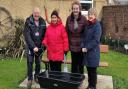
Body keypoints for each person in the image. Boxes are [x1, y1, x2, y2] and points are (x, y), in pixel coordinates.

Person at [23, 7, 46, 89]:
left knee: (38, 63)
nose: (37, 14)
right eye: (35, 13)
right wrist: (33, 47)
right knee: (29, 63)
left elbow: (45, 35)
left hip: (39, 48)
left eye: (38, 13)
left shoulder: (43, 21)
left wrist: (43, 46)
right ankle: (29, 79)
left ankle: (36, 76)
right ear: (32, 13)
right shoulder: (28, 21)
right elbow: (27, 36)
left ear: (40, 13)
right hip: (30, 47)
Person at [81, 8, 102, 89]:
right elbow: (83, 37)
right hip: (86, 53)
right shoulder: (87, 25)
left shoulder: (97, 25)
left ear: (95, 15)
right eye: (89, 14)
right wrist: (83, 45)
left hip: (93, 53)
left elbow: (96, 40)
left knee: (93, 72)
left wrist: (86, 47)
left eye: (92, 14)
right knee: (89, 71)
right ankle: (90, 85)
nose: (90, 16)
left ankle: (93, 87)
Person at [66, 1, 87, 74]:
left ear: (79, 9)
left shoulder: (84, 19)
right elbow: (67, 32)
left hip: (81, 46)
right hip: (72, 46)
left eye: (77, 8)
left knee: (81, 65)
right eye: (74, 8)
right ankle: (74, 81)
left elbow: (86, 33)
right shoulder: (69, 19)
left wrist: (84, 45)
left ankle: (80, 79)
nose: (75, 10)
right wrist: (67, 45)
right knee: (74, 65)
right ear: (72, 9)